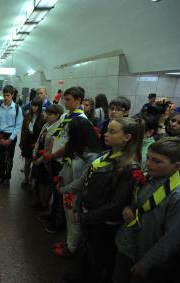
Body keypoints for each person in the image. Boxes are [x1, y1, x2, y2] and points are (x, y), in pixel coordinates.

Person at [74, 117, 144, 283]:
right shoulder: (107, 154)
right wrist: (80, 205)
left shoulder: (130, 166)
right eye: (107, 130)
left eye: (112, 132)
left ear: (126, 137)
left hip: (103, 222)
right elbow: (89, 182)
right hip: (91, 213)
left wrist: (85, 217)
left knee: (99, 260)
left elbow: (116, 205)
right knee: (88, 252)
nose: (105, 134)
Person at [114, 137, 180, 283]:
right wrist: (127, 208)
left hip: (146, 259)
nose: (147, 163)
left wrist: (146, 263)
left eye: (156, 161)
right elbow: (136, 203)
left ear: (178, 166)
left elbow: (173, 237)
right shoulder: (147, 178)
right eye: (148, 157)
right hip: (126, 246)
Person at [53, 117, 101, 257]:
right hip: (67, 189)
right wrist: (60, 179)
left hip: (77, 194)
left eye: (69, 132)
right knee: (69, 219)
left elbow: (82, 181)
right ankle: (69, 242)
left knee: (75, 223)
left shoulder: (92, 155)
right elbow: (66, 165)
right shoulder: (75, 148)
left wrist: (64, 189)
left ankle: (72, 248)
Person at [43, 86, 88, 233]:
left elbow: (70, 144)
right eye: (64, 99)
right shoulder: (65, 116)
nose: (65, 102)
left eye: (68, 100)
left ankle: (59, 223)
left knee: (62, 192)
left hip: (65, 160)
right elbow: (56, 135)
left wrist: (53, 155)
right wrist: (48, 151)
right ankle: (53, 215)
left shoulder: (81, 120)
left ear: (78, 100)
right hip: (55, 158)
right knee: (55, 191)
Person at [32, 104, 64, 213]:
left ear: (57, 116)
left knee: (47, 182)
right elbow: (38, 141)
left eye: (50, 114)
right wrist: (34, 153)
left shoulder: (58, 128)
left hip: (47, 159)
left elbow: (51, 148)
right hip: (38, 156)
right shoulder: (45, 125)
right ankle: (40, 200)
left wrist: (40, 159)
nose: (46, 115)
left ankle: (45, 202)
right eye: (46, 113)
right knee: (39, 181)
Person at [0, 85, 23, 187]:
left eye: (8, 95)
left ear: (12, 95)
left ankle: (7, 178)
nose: (6, 98)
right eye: (4, 95)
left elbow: (18, 126)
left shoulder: (17, 109)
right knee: (1, 157)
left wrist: (10, 139)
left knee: (9, 158)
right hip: (1, 135)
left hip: (11, 135)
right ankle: (1, 176)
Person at [19, 96, 47, 186]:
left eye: (36, 106)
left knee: (35, 163)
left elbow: (43, 132)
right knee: (27, 162)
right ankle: (26, 178)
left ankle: (31, 179)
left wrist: (38, 143)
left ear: (40, 106)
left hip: (37, 141)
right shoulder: (28, 114)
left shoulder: (43, 117)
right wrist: (21, 142)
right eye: (33, 106)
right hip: (28, 140)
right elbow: (23, 129)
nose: (34, 108)